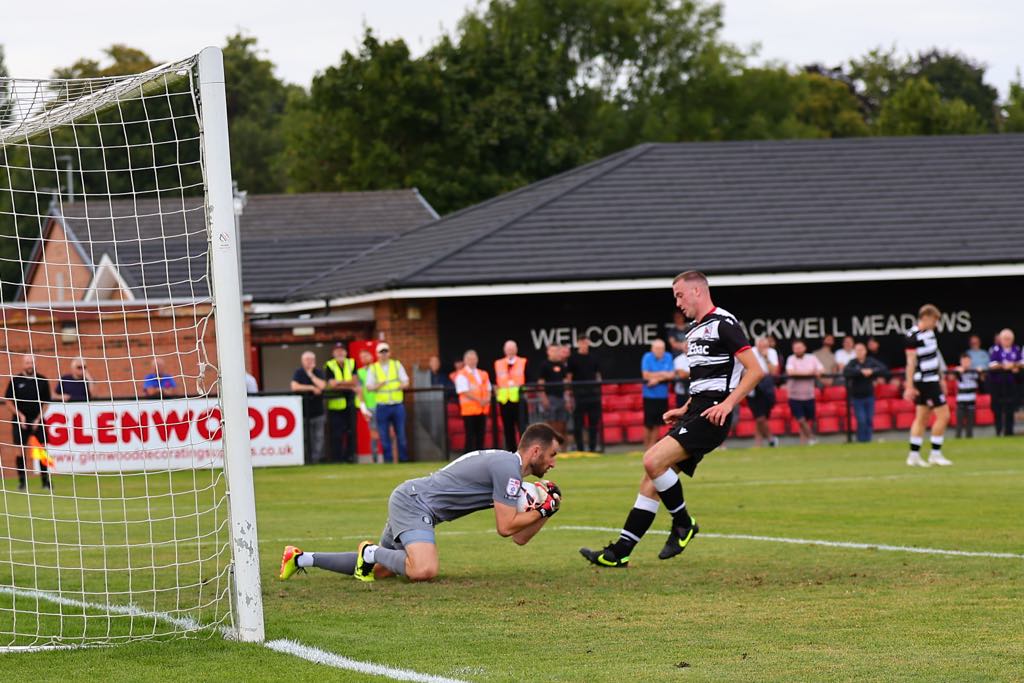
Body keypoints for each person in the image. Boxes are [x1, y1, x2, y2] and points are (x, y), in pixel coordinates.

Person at [580, 271, 762, 569]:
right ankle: (620, 552)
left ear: (697, 292)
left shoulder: (724, 324)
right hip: (698, 409)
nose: (677, 302)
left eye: (679, 295)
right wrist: (684, 407)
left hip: (714, 413)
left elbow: (755, 370)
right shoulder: (694, 330)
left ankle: (683, 523)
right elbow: (705, 379)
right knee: (650, 482)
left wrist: (728, 405)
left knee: (652, 461)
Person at [279, 423, 564, 583]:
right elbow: (505, 527)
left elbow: (520, 539)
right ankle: (369, 551)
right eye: (552, 455)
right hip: (415, 503)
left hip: (412, 501)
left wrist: (548, 511)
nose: (553, 462)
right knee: (423, 569)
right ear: (536, 450)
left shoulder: (510, 472)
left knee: (383, 569)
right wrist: (541, 508)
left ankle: (301, 557)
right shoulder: (507, 468)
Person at [904, 304, 953, 466]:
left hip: (933, 379)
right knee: (944, 415)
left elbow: (935, 357)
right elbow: (910, 362)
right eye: (935, 320)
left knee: (922, 418)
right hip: (925, 381)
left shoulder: (930, 333)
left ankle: (914, 455)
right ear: (925, 318)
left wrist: (941, 378)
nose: (936, 324)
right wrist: (909, 386)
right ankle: (935, 453)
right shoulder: (913, 336)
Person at [3, 354, 52, 490]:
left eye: (31, 362)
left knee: (41, 450)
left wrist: (38, 419)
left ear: (35, 363)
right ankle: (22, 483)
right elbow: (8, 401)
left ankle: (45, 482)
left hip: (37, 420)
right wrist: (20, 416)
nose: (29, 365)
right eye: (27, 362)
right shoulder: (16, 380)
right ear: (23, 364)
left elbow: (46, 402)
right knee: (20, 450)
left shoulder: (42, 380)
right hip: (20, 420)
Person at [366, 342, 411, 463]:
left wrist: (400, 386)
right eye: (381, 352)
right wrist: (379, 385)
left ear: (389, 353)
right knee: (384, 436)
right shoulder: (373, 368)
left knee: (401, 435)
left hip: (397, 404)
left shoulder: (396, 365)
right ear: (377, 354)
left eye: (386, 352)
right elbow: (369, 387)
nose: (384, 354)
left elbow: (406, 382)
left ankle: (403, 460)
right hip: (382, 406)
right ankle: (388, 461)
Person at [843, 342, 888, 443]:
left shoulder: (870, 361)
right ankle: (861, 440)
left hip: (869, 396)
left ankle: (868, 440)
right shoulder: (853, 362)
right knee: (861, 420)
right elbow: (846, 372)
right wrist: (861, 372)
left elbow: (884, 369)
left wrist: (872, 371)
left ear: (865, 351)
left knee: (869, 419)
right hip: (856, 397)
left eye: (861, 350)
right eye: (857, 350)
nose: (859, 352)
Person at [291, 351, 327, 464]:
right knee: (306, 437)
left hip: (318, 411)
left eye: (311, 359)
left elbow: (322, 386)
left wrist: (311, 375)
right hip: (303, 412)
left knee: (319, 437)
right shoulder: (299, 372)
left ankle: (316, 460)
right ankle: (306, 459)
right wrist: (311, 387)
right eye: (307, 359)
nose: (309, 361)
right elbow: (295, 387)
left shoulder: (318, 372)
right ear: (302, 361)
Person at [785, 339, 824, 445]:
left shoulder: (812, 358)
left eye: (799, 347)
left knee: (807, 420)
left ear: (804, 348)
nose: (797, 350)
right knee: (800, 420)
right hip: (794, 396)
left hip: (809, 395)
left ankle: (803, 443)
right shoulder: (791, 359)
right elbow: (791, 372)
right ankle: (812, 438)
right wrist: (809, 373)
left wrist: (816, 372)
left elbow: (821, 369)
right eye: (795, 348)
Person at [324, 343, 357, 463]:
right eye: (337, 351)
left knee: (350, 432)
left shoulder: (352, 363)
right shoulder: (329, 365)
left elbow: (354, 382)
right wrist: (347, 384)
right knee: (336, 434)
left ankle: (349, 457)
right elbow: (332, 384)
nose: (340, 353)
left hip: (350, 404)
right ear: (333, 353)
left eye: (342, 350)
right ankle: (336, 458)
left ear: (345, 352)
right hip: (335, 406)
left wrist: (339, 383)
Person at [567, 338, 602, 452]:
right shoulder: (573, 358)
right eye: (581, 342)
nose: (584, 345)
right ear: (578, 343)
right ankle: (580, 448)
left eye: (586, 342)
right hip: (579, 395)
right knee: (578, 423)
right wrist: (569, 393)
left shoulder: (594, 357)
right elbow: (569, 377)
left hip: (593, 394)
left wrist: (598, 389)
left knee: (593, 422)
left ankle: (592, 448)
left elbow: (598, 374)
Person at [640, 339, 675, 450]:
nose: (660, 351)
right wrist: (663, 375)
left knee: (658, 423)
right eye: (658, 349)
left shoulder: (668, 356)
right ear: (652, 349)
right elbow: (645, 375)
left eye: (662, 349)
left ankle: (652, 447)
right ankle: (646, 447)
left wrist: (656, 380)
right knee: (648, 423)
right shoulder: (647, 357)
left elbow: (672, 375)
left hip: (662, 396)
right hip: (649, 395)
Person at [455, 350, 491, 453]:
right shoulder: (462, 374)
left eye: (474, 359)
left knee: (481, 436)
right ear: (465, 360)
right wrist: (480, 400)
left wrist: (487, 399)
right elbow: (464, 391)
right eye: (470, 359)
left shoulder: (483, 373)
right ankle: (469, 458)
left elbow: (488, 388)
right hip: (469, 411)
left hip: (482, 410)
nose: (472, 361)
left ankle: (480, 458)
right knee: (470, 436)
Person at [493, 340, 527, 451]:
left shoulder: (523, 362)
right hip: (504, 401)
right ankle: (511, 452)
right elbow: (495, 382)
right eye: (508, 349)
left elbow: (528, 380)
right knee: (508, 429)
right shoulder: (498, 363)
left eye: (512, 348)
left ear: (516, 349)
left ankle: (524, 450)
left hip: (519, 401)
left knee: (522, 427)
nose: (510, 351)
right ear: (504, 350)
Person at [987, 328, 1021, 436]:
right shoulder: (995, 350)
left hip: (1011, 384)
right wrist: (1003, 366)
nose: (1007, 340)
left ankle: (1009, 431)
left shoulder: (1016, 349)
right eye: (1005, 338)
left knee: (1010, 408)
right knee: (997, 408)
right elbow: (991, 364)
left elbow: (1021, 362)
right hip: (997, 384)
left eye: (1009, 339)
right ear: (1000, 339)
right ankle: (998, 430)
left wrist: (1014, 365)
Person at [749, 336, 779, 448]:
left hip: (767, 385)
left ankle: (758, 443)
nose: (763, 347)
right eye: (761, 345)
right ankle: (771, 439)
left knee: (762, 417)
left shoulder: (772, 352)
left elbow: (773, 371)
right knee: (759, 417)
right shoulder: (750, 351)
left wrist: (766, 357)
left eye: (765, 345)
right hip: (753, 385)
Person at [537, 345, 570, 438]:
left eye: (556, 350)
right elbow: (540, 383)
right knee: (550, 424)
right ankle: (550, 448)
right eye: (552, 350)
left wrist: (567, 399)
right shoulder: (544, 365)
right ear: (548, 352)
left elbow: (566, 382)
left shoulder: (562, 365)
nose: (555, 352)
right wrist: (544, 398)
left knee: (562, 424)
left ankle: (562, 449)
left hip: (561, 398)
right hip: (550, 398)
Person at [355, 349, 382, 463]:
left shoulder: (379, 369)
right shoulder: (360, 372)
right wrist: (363, 408)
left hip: (382, 403)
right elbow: (359, 390)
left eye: (366, 356)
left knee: (389, 431)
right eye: (362, 357)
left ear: (372, 357)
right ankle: (375, 458)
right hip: (370, 406)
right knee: (373, 432)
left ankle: (392, 458)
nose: (364, 358)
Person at [954, 353, 980, 439]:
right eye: (964, 361)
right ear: (960, 361)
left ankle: (969, 437)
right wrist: (958, 372)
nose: (965, 363)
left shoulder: (974, 371)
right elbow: (952, 376)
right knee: (959, 422)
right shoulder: (957, 370)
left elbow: (981, 379)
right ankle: (958, 438)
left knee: (970, 423)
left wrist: (980, 372)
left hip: (971, 399)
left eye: (967, 361)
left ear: (970, 362)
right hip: (961, 400)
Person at [672, 339, 691, 414]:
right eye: (685, 345)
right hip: (681, 393)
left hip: (695, 393)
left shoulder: (698, 358)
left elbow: (701, 372)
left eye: (688, 345)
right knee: (680, 417)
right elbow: (681, 374)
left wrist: (687, 373)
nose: (687, 346)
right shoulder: (678, 359)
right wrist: (694, 373)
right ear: (682, 347)